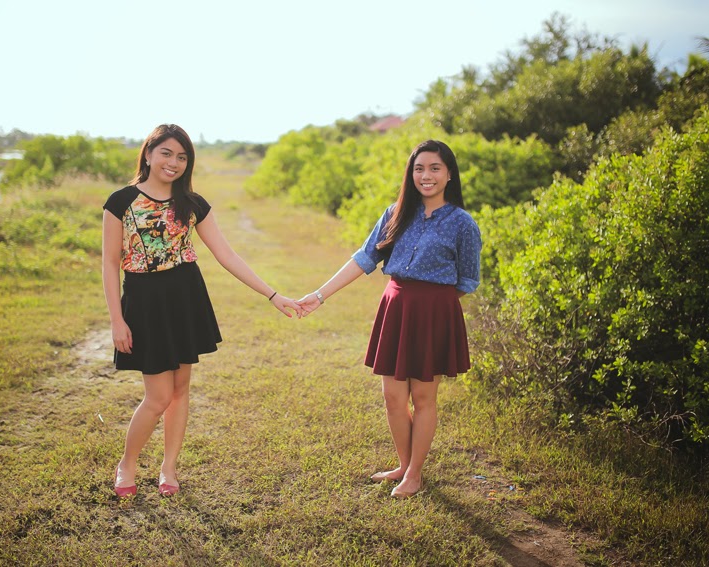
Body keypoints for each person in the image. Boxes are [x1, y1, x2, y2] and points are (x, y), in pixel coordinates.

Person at [102, 124, 303, 498]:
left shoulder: (192, 203)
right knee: (158, 397)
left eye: (182, 157)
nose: (174, 162)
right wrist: (117, 320)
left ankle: (169, 467)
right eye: (166, 153)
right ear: (148, 154)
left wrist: (272, 295)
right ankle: (127, 464)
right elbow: (110, 263)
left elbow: (227, 255)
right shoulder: (121, 201)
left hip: (185, 298)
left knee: (180, 390)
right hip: (144, 302)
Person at [297, 139, 481, 498]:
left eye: (435, 168)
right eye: (419, 168)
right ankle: (403, 463)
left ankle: (414, 474)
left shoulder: (463, 223)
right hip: (395, 307)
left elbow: (467, 280)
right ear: (411, 174)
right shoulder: (395, 213)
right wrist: (319, 295)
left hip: (434, 313)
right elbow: (364, 258)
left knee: (424, 398)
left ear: (449, 175)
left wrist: (433, 306)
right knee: (393, 397)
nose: (426, 176)